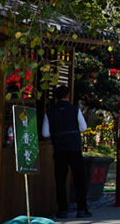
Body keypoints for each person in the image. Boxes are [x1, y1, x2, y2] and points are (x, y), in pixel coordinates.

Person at [41, 85, 91, 218]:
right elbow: (83, 127)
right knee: (79, 179)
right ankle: (81, 209)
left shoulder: (50, 112)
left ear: (56, 97)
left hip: (59, 149)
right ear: (68, 96)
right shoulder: (74, 110)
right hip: (74, 148)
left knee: (60, 179)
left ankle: (62, 209)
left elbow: (45, 133)